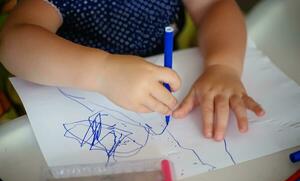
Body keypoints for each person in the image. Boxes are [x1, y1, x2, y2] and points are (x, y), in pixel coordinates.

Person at [0, 0, 265, 141]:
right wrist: (103, 72)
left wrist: (223, 66)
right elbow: (15, 41)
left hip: (154, 75)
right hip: (69, 86)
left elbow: (214, 5)